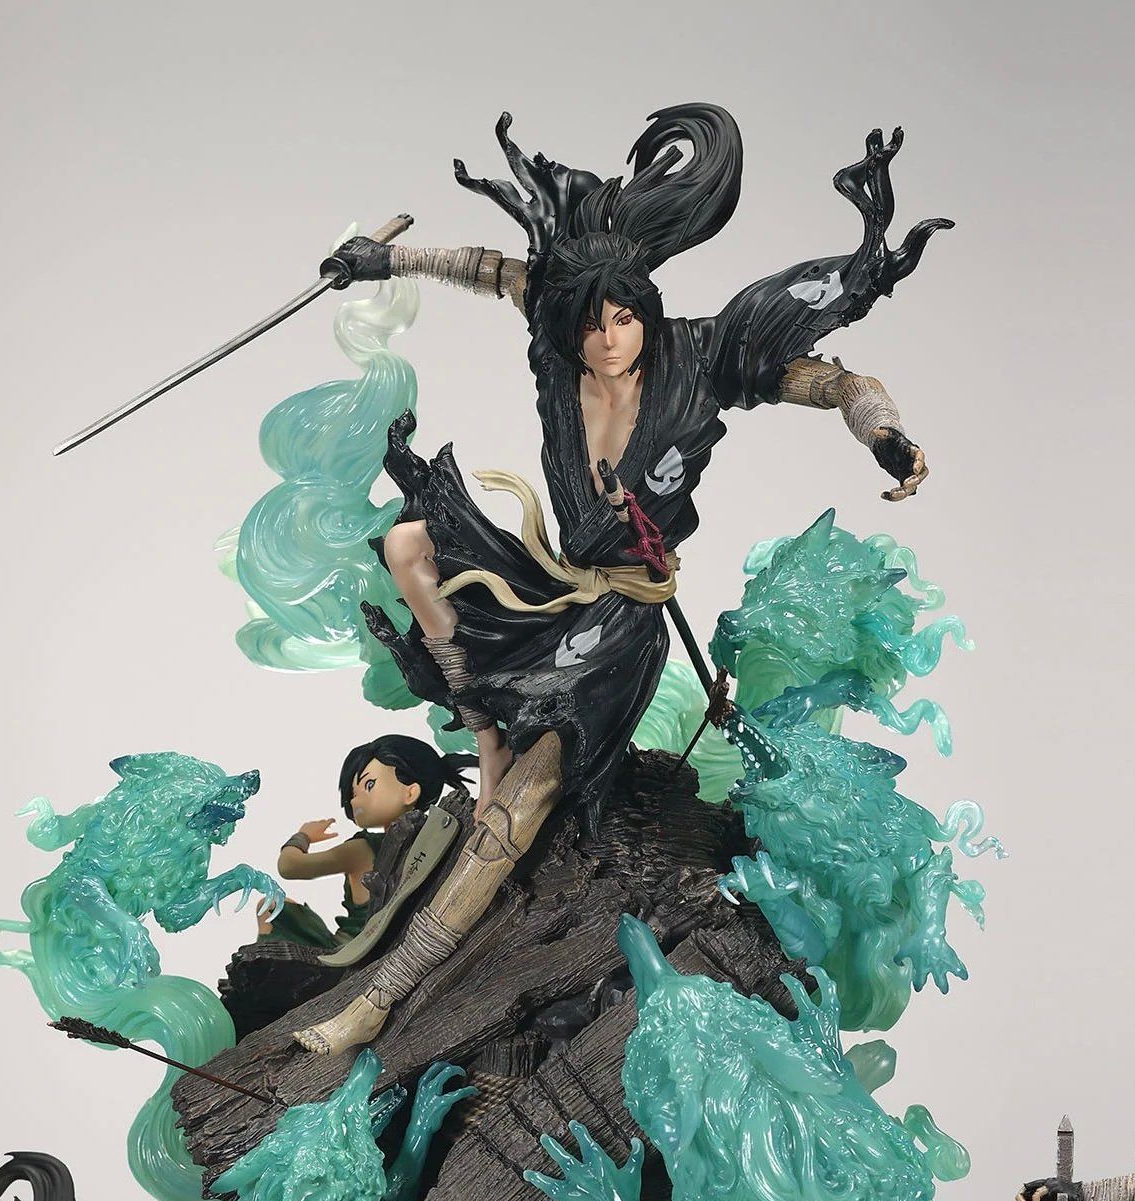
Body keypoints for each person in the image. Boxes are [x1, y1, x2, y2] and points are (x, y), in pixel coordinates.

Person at [294, 106, 949, 1058]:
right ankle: (481, 729)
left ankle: (378, 1001)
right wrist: (381, 260)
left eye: (624, 317)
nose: (608, 339)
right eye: (591, 322)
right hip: (554, 582)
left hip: (620, 627)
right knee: (408, 546)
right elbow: (493, 271)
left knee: (521, 806)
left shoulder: (701, 358)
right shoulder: (560, 338)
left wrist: (882, 431)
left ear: (645, 308)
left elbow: (837, 383)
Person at [258, 734, 473, 948]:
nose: (354, 801)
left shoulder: (362, 850)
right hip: (407, 941)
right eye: (354, 793)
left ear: (410, 792)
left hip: (349, 950)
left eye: (369, 785)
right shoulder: (434, 841)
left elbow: (289, 867)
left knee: (269, 906)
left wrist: (303, 836)